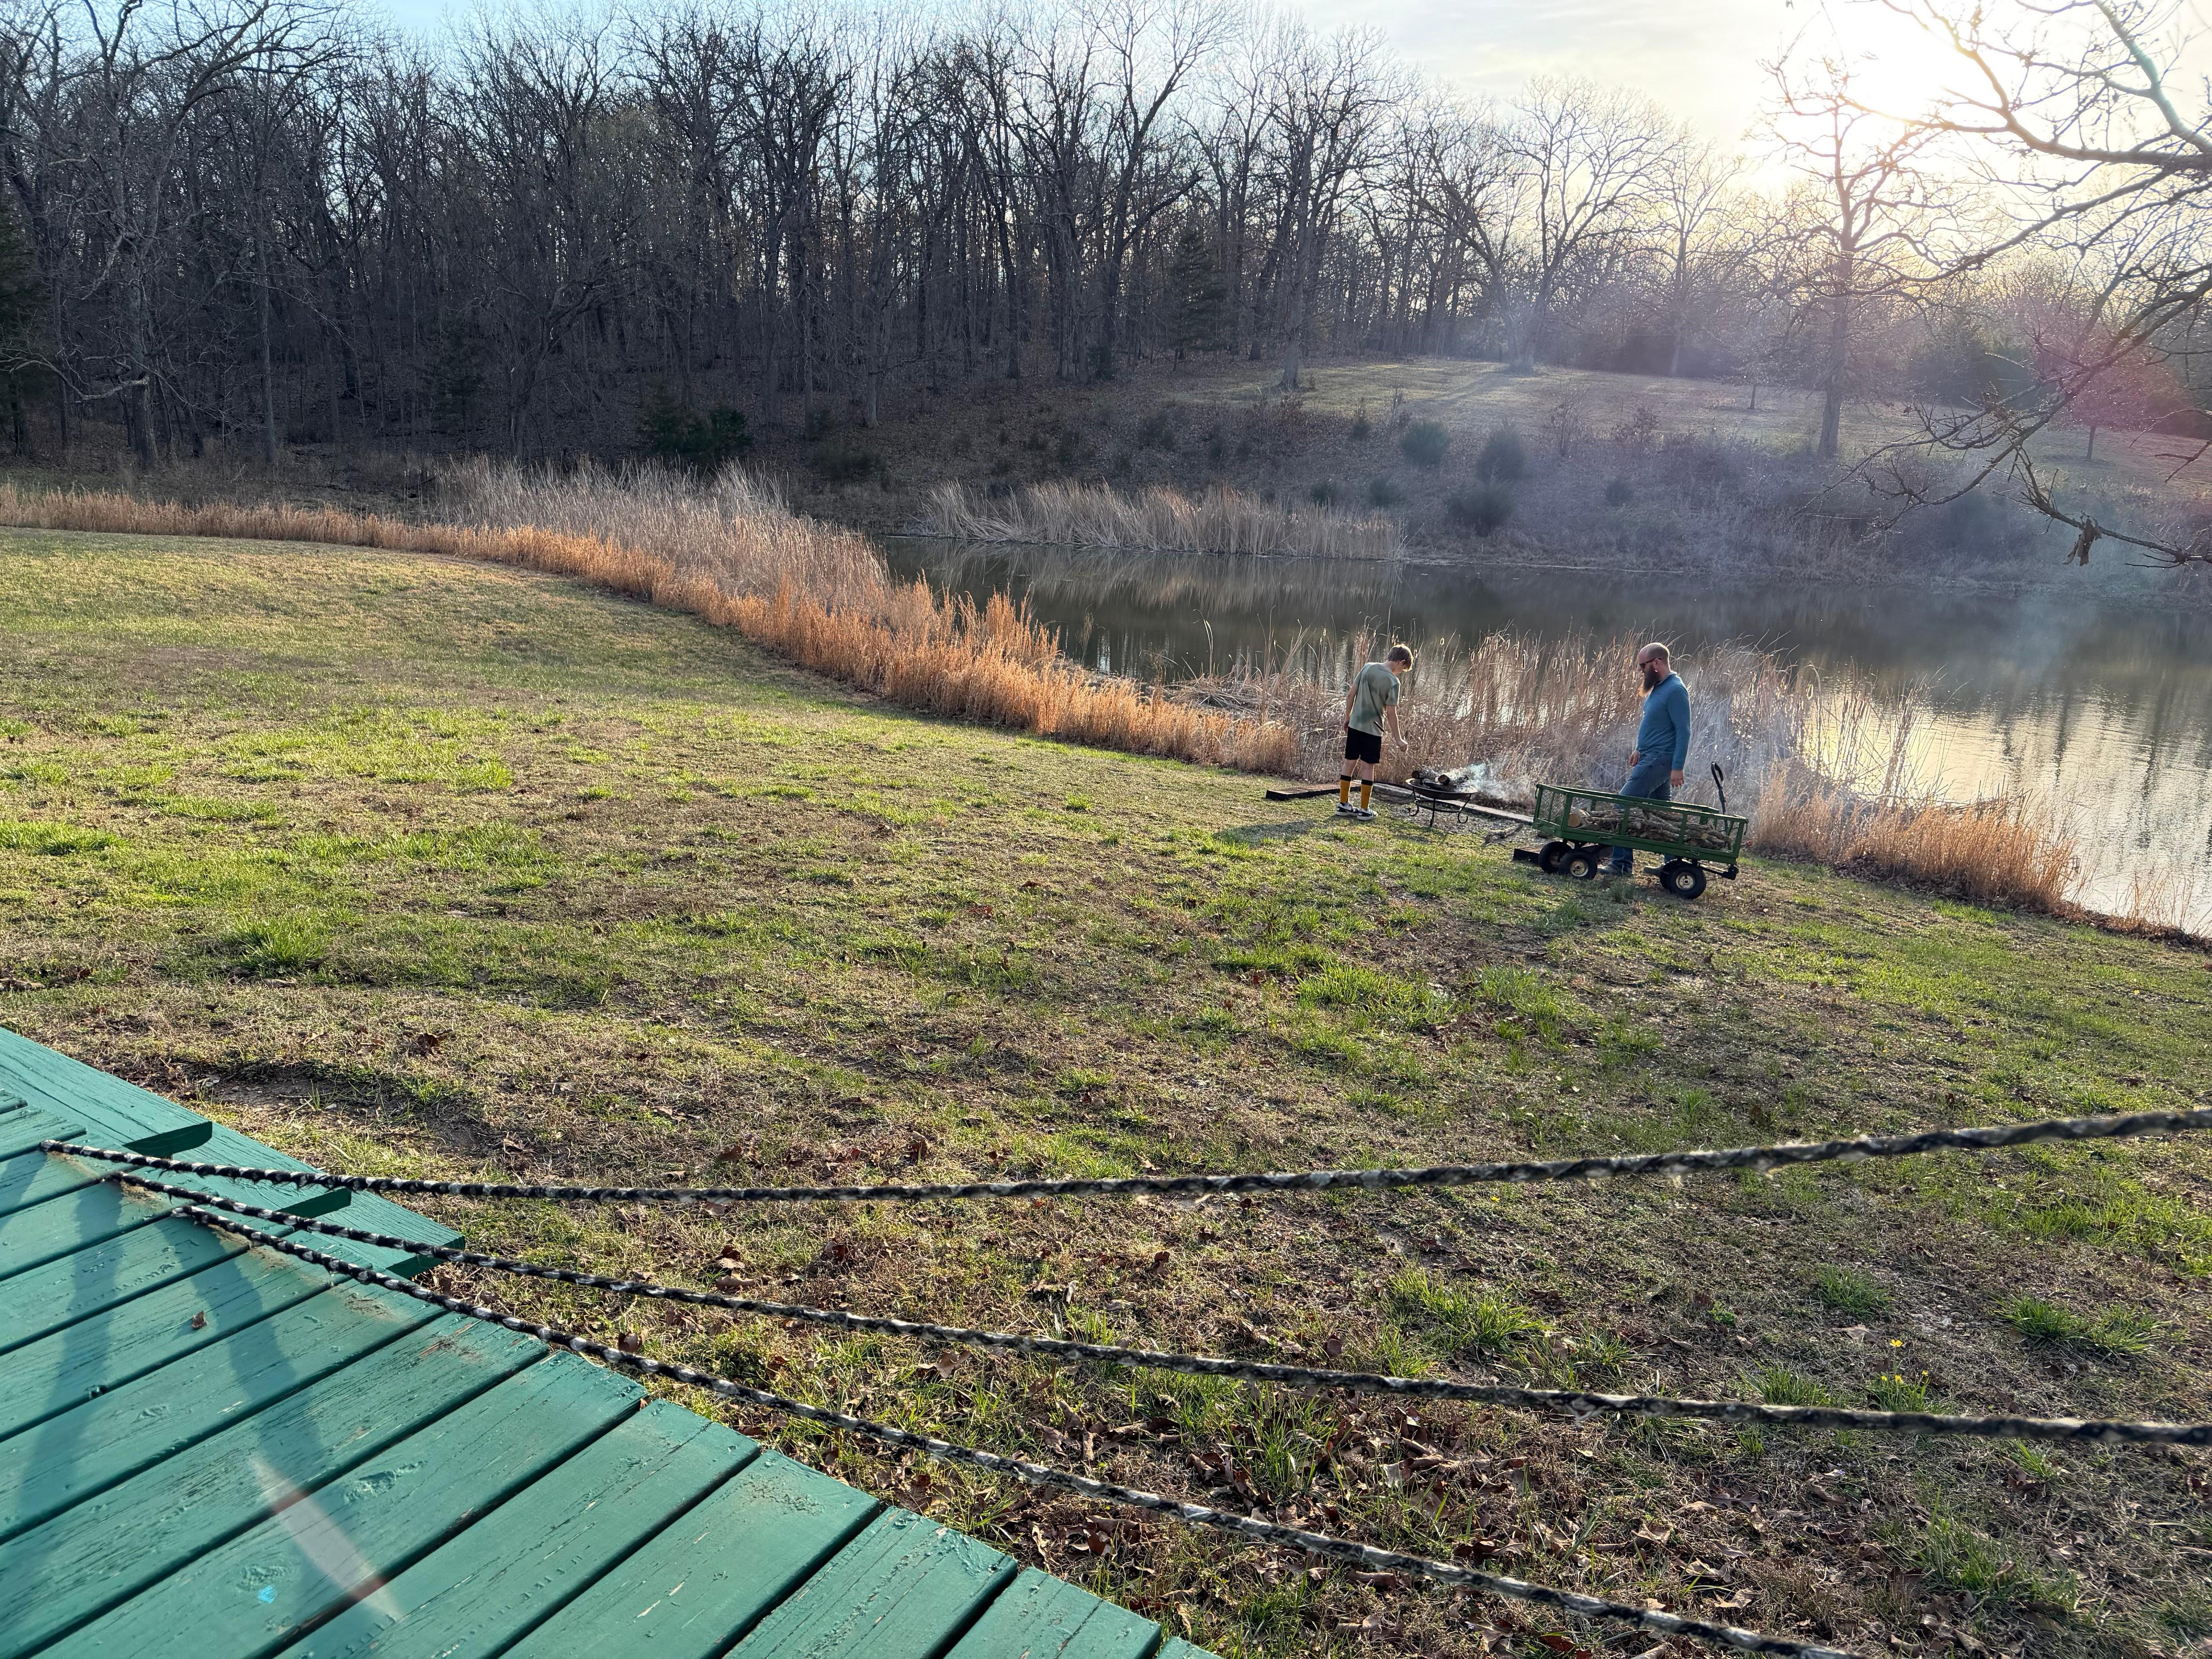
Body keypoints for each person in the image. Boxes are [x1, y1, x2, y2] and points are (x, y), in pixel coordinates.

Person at [1609, 642, 1688, 876]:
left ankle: (1621, 865)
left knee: (1623, 805)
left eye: (1642, 665)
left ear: (1657, 663)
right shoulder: (1659, 688)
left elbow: (1684, 731)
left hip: (1659, 760)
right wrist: (1639, 748)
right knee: (1661, 813)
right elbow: (1654, 724)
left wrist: (1678, 767)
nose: (1640, 670)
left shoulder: (1676, 690)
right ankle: (1673, 866)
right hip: (1651, 755)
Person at [1337, 644, 1413, 820]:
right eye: (1403, 669)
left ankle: (1343, 805)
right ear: (1401, 662)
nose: (1400, 673)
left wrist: (1348, 717)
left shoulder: (1367, 667)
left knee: (1349, 763)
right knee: (1368, 767)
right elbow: (1392, 713)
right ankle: (1364, 810)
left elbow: (1351, 695)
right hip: (1373, 730)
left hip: (1355, 725)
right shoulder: (1393, 682)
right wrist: (1399, 739)